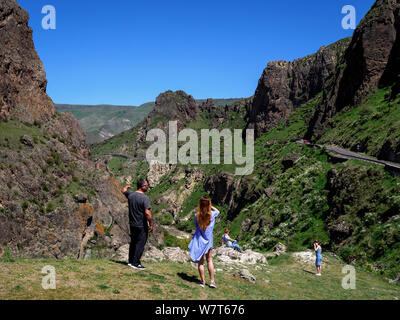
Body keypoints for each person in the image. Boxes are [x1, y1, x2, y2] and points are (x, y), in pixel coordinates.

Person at [188, 196, 219, 288]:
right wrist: (210, 206)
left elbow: (195, 224)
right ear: (209, 205)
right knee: (209, 260)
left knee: (200, 262)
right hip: (208, 241)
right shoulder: (212, 214)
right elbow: (218, 211)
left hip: (199, 241)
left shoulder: (197, 215)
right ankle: (212, 282)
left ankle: (203, 281)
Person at [123, 178, 153, 270]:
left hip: (132, 223)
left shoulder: (131, 194)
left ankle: (131, 261)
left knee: (133, 242)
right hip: (141, 225)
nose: (148, 187)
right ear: (143, 186)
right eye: (147, 185)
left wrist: (126, 187)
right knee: (140, 243)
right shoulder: (145, 198)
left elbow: (124, 191)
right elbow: (147, 213)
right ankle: (136, 263)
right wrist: (151, 224)